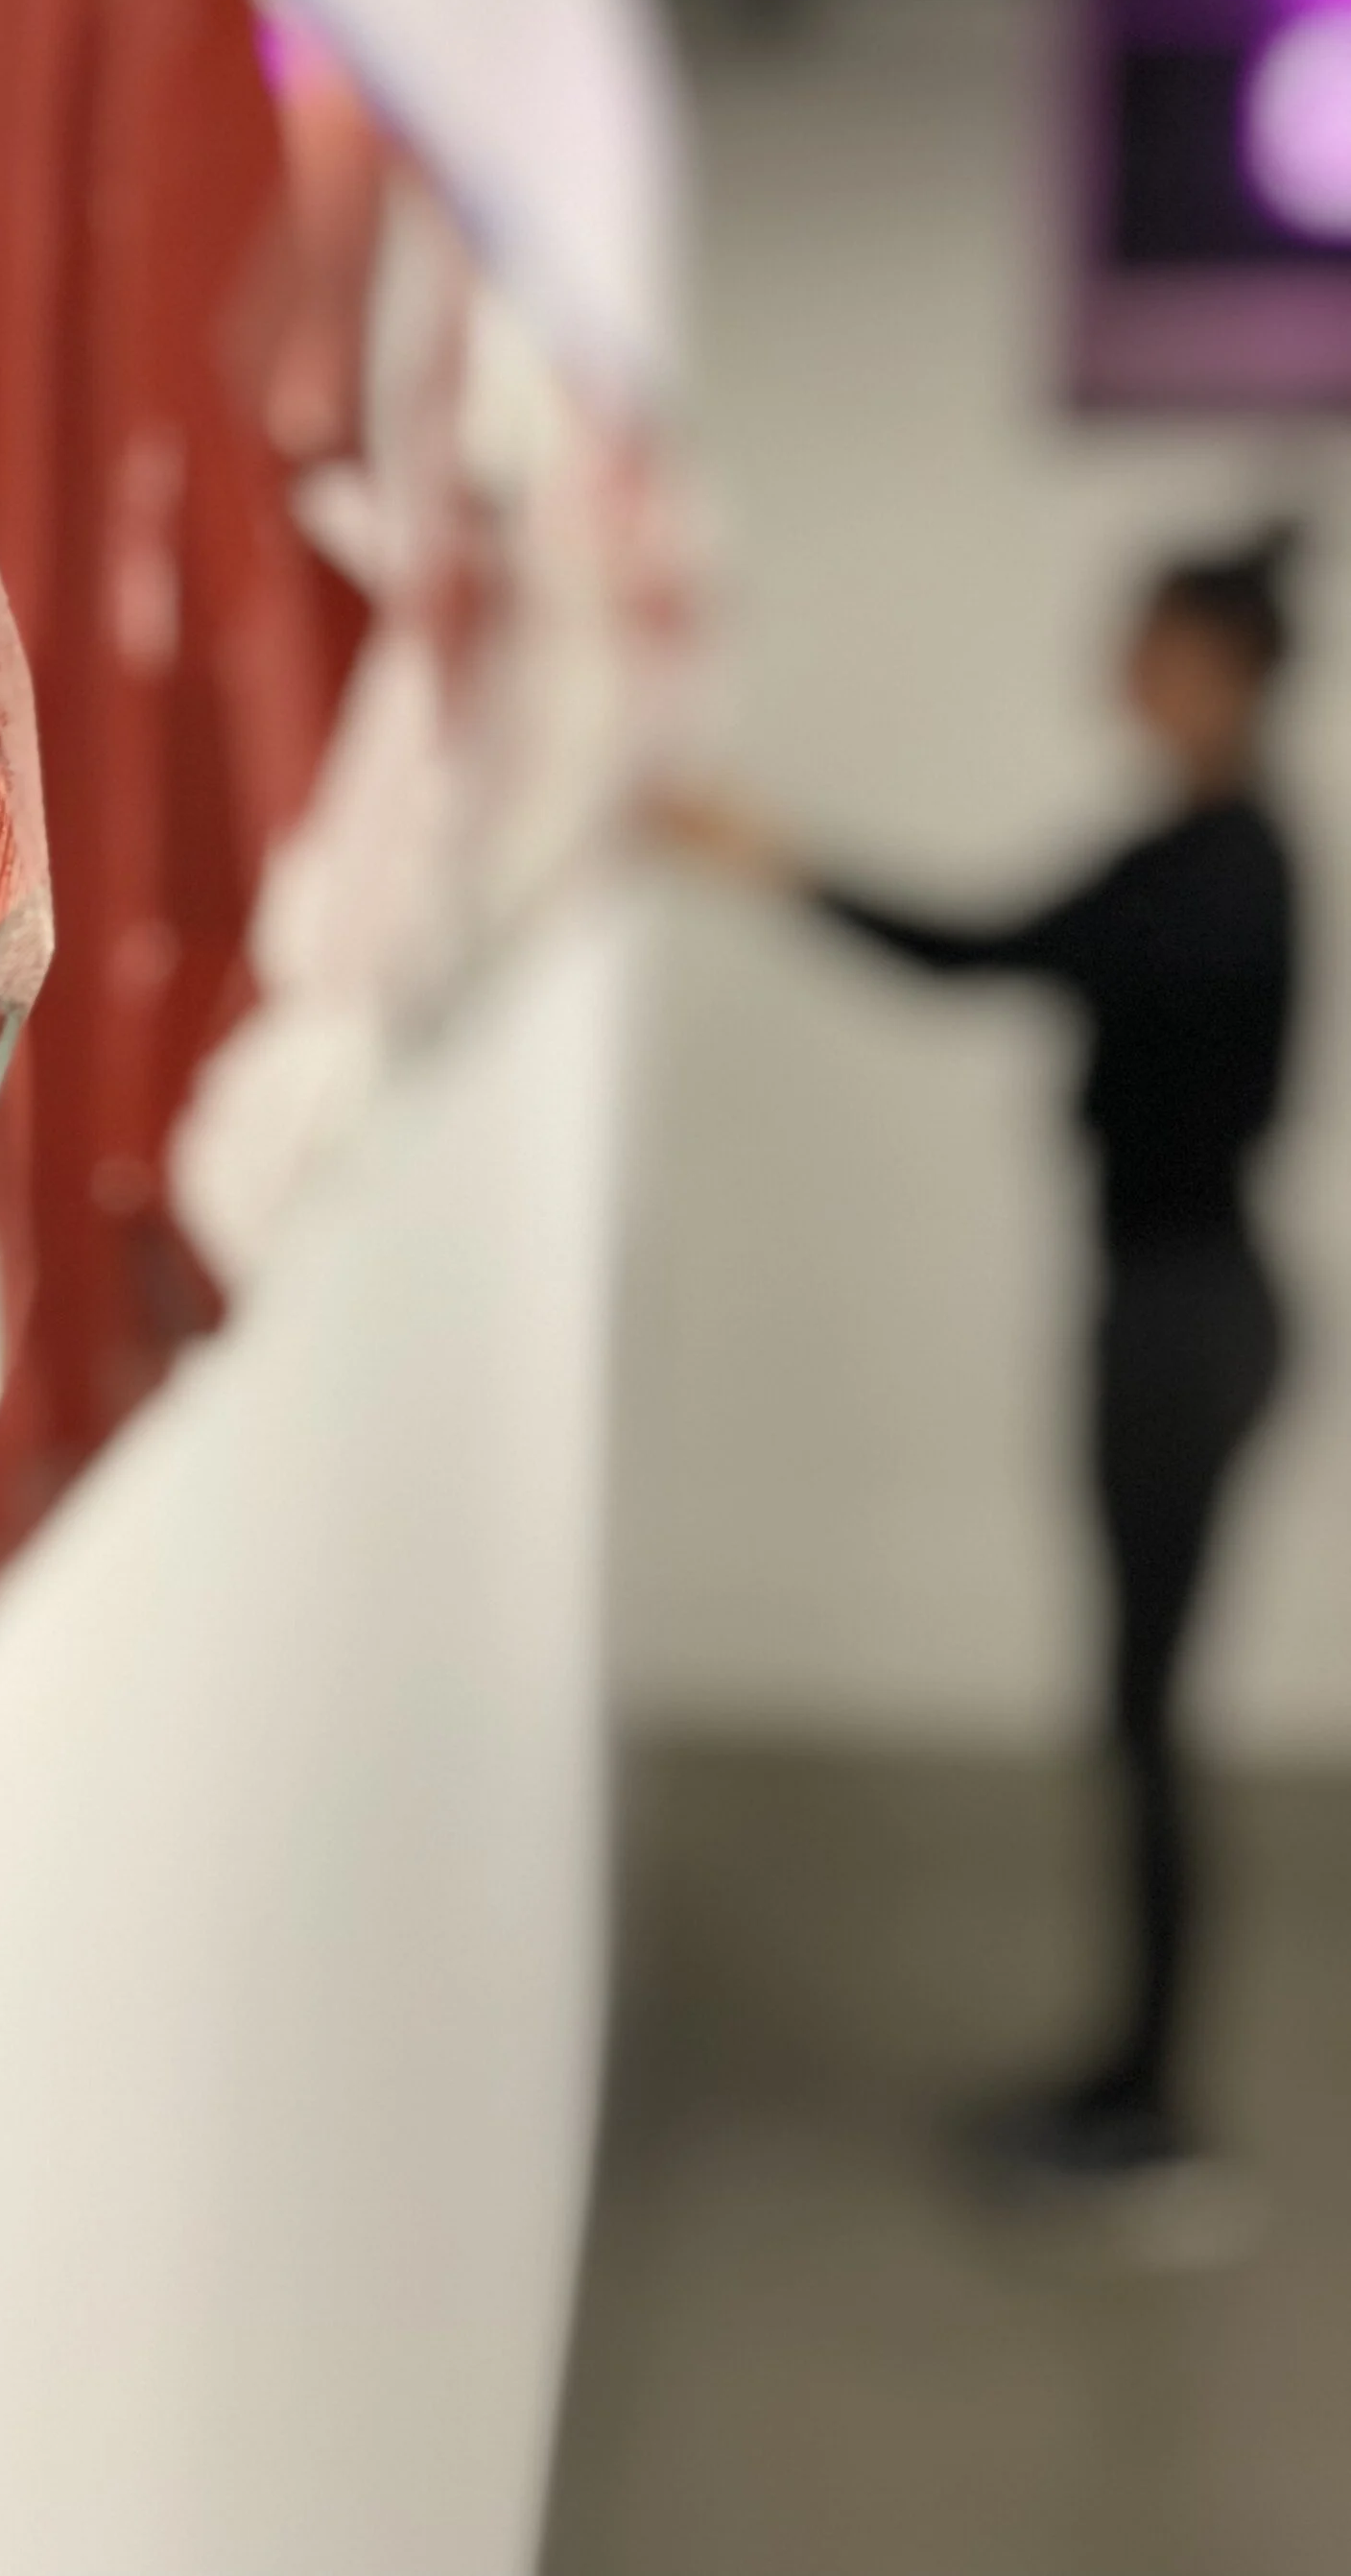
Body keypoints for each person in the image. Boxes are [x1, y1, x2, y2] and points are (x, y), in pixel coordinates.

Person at [656, 525, 1303, 2181]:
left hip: (1185, 1324)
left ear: (1220, 670)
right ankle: (1134, 2078)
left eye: (1148, 641)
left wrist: (773, 861)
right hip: (1185, 1309)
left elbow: (978, 954)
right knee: (1140, 1713)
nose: (1120, 666)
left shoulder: (1217, 871)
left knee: (1146, 1718)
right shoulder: (1212, 854)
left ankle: (1150, 2108)